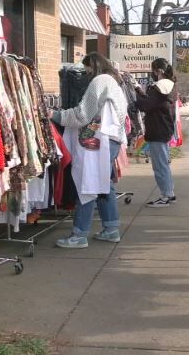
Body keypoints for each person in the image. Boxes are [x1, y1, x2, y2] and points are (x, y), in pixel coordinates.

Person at [51, 52, 128, 248]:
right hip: (111, 139)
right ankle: (111, 229)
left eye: (86, 69)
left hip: (96, 142)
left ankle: (79, 234)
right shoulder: (114, 82)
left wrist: (55, 115)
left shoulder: (100, 81)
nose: (85, 73)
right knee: (104, 184)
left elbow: (82, 114)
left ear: (93, 66)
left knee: (88, 184)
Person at [135, 58, 177, 208]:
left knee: (159, 166)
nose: (151, 74)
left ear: (158, 71)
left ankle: (165, 196)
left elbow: (146, 105)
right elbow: (152, 102)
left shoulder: (159, 88)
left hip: (157, 130)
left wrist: (135, 97)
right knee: (163, 164)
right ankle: (169, 193)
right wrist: (139, 90)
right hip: (164, 129)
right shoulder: (169, 87)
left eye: (152, 70)